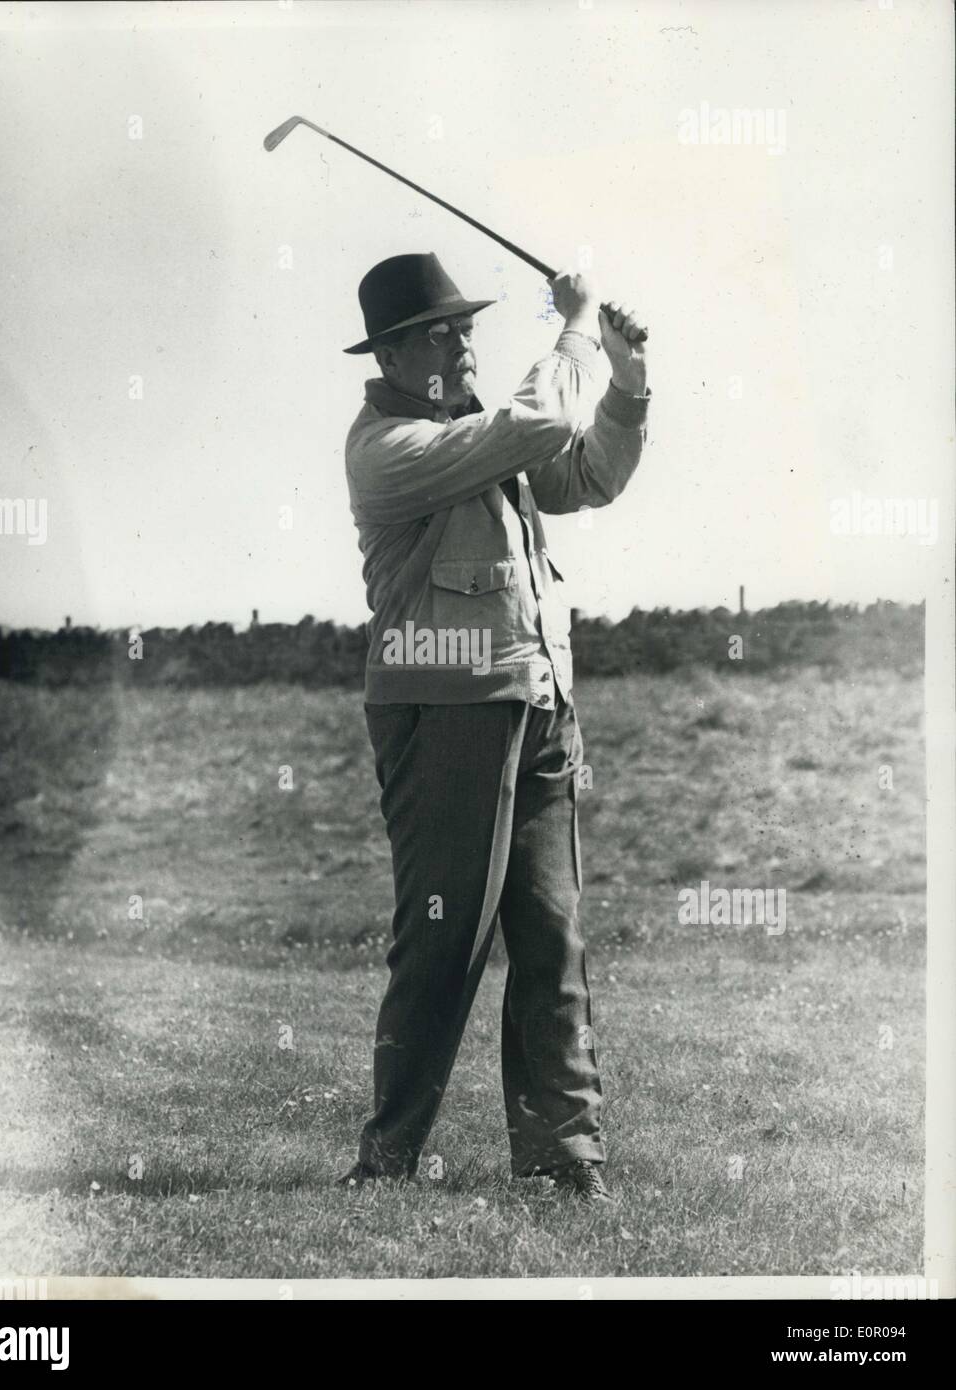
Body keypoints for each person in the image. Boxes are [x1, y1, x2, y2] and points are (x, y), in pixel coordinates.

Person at [339, 252, 649, 1203]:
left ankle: (565, 1159)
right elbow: (543, 419)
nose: (463, 341)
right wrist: (570, 327)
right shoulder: (386, 450)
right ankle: (387, 1159)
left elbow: (588, 472)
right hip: (443, 715)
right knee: (443, 939)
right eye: (442, 331)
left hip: (537, 699)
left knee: (552, 934)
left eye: (467, 326)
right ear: (393, 354)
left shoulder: (479, 433)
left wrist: (627, 381)